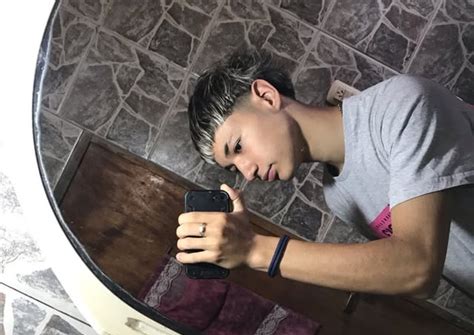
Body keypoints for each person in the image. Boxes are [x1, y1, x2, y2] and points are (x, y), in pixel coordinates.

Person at [176, 48, 474, 299]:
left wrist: (255, 250)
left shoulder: (402, 105)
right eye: (233, 168)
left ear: (266, 96)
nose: (247, 172)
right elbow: (410, 274)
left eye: (238, 146)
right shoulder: (338, 196)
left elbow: (418, 268)